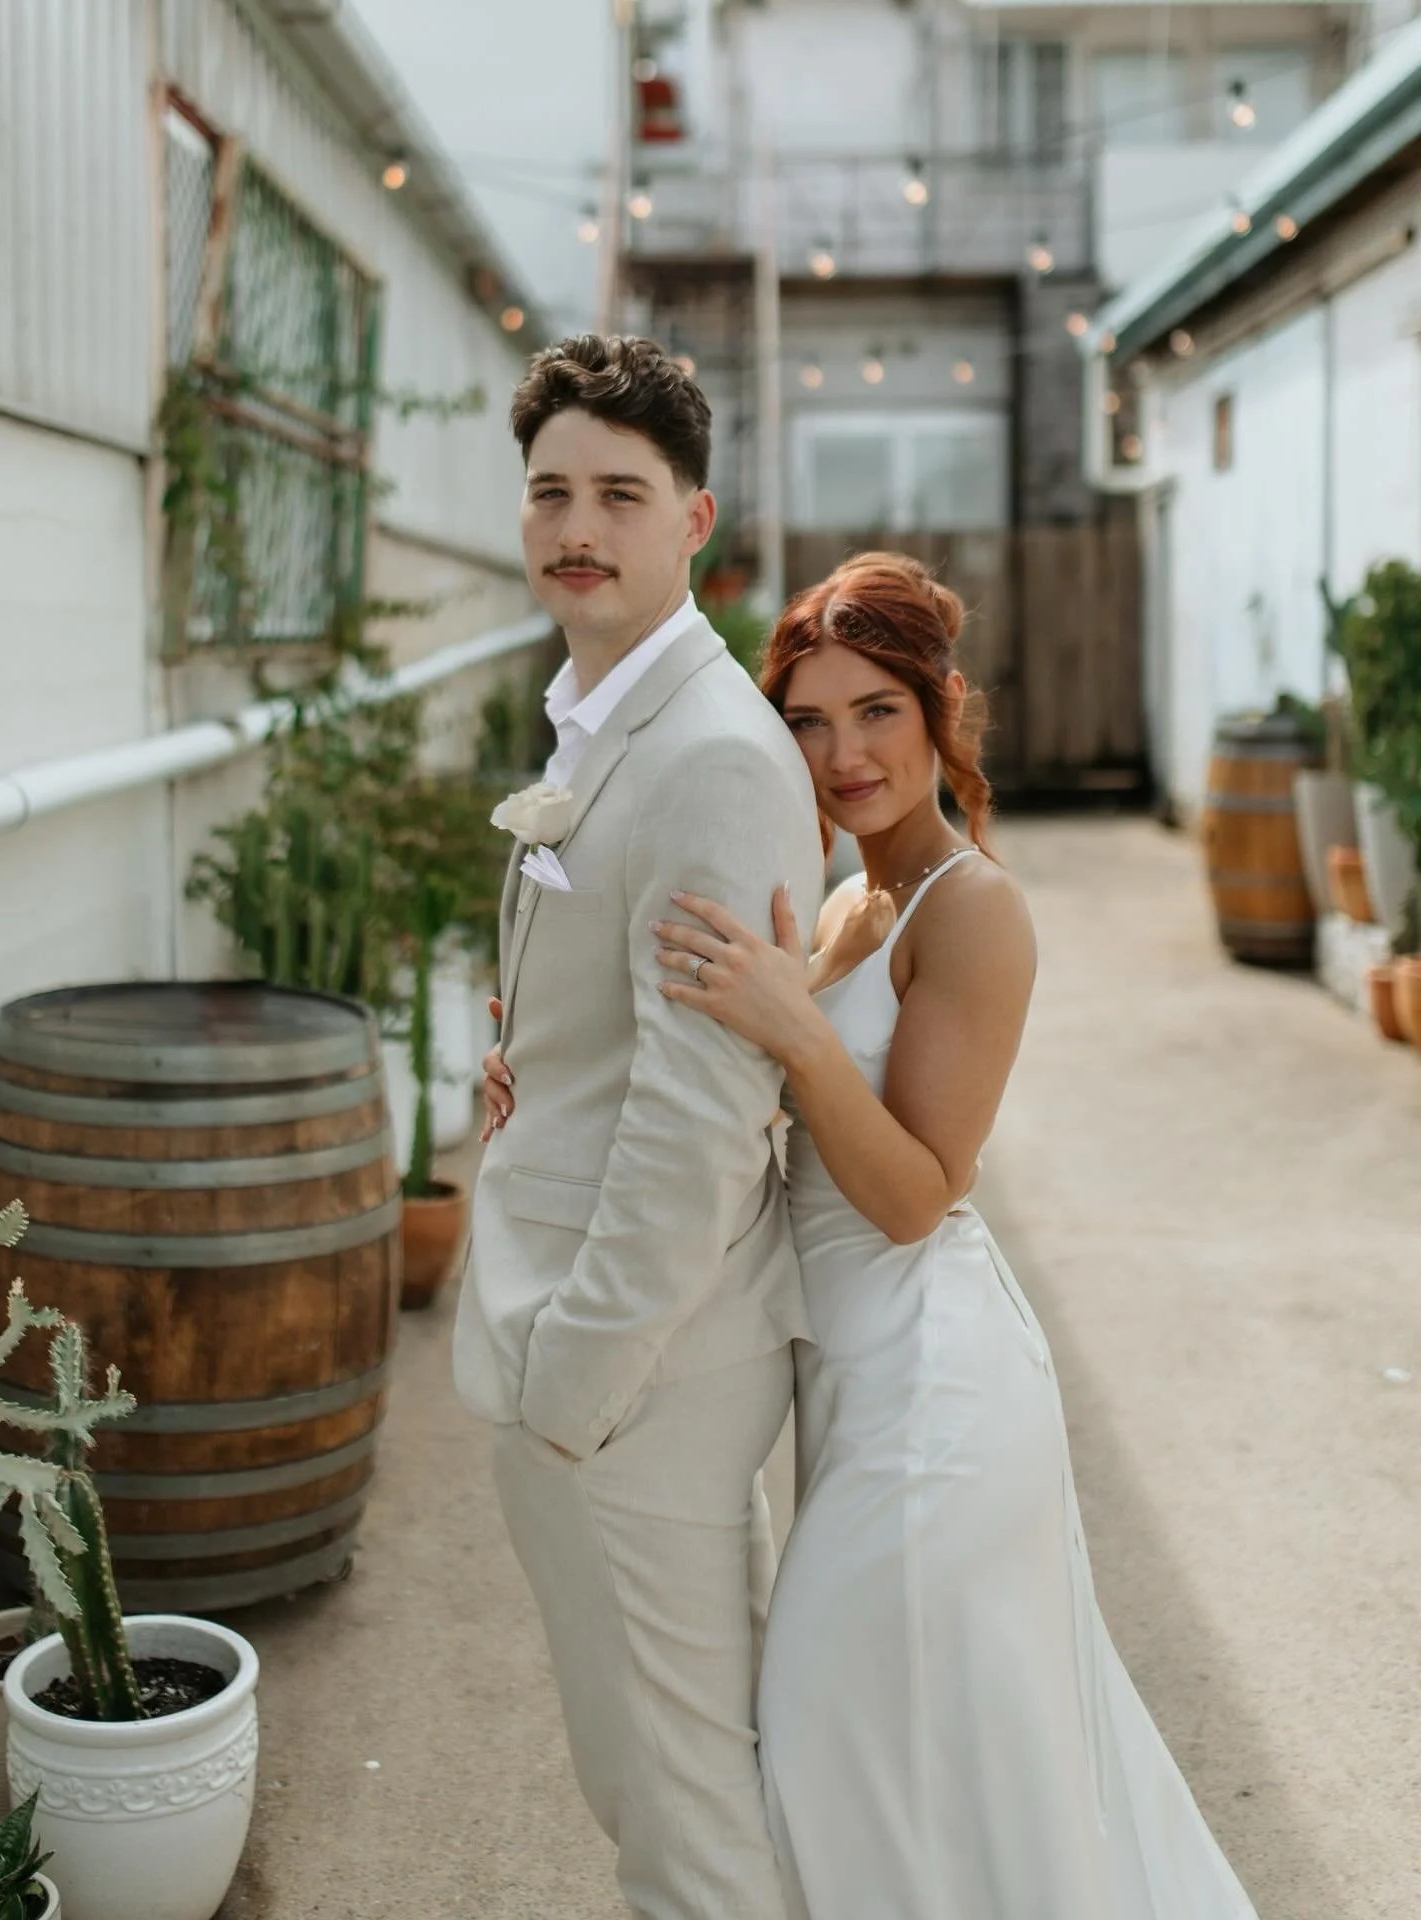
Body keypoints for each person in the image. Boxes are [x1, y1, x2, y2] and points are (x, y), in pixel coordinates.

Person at [485, 551, 1260, 1920]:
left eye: (877, 712)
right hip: (838, 1380)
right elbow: (725, 1103)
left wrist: (791, 1028)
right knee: (923, 1767)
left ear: (940, 707)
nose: (842, 754)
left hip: (938, 1391)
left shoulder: (977, 912)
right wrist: (540, 1095)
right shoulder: (846, 904)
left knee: (836, 1733)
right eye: (808, 720)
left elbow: (918, 1191)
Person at [452, 333, 824, 1920]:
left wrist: (572, 1388)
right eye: (550, 492)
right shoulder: (604, 712)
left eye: (619, 492)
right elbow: (625, 1030)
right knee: (639, 1773)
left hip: (633, 1376)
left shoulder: (715, 754)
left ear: (697, 519)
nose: (575, 525)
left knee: (684, 1806)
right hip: (583, 1343)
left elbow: (703, 1122)